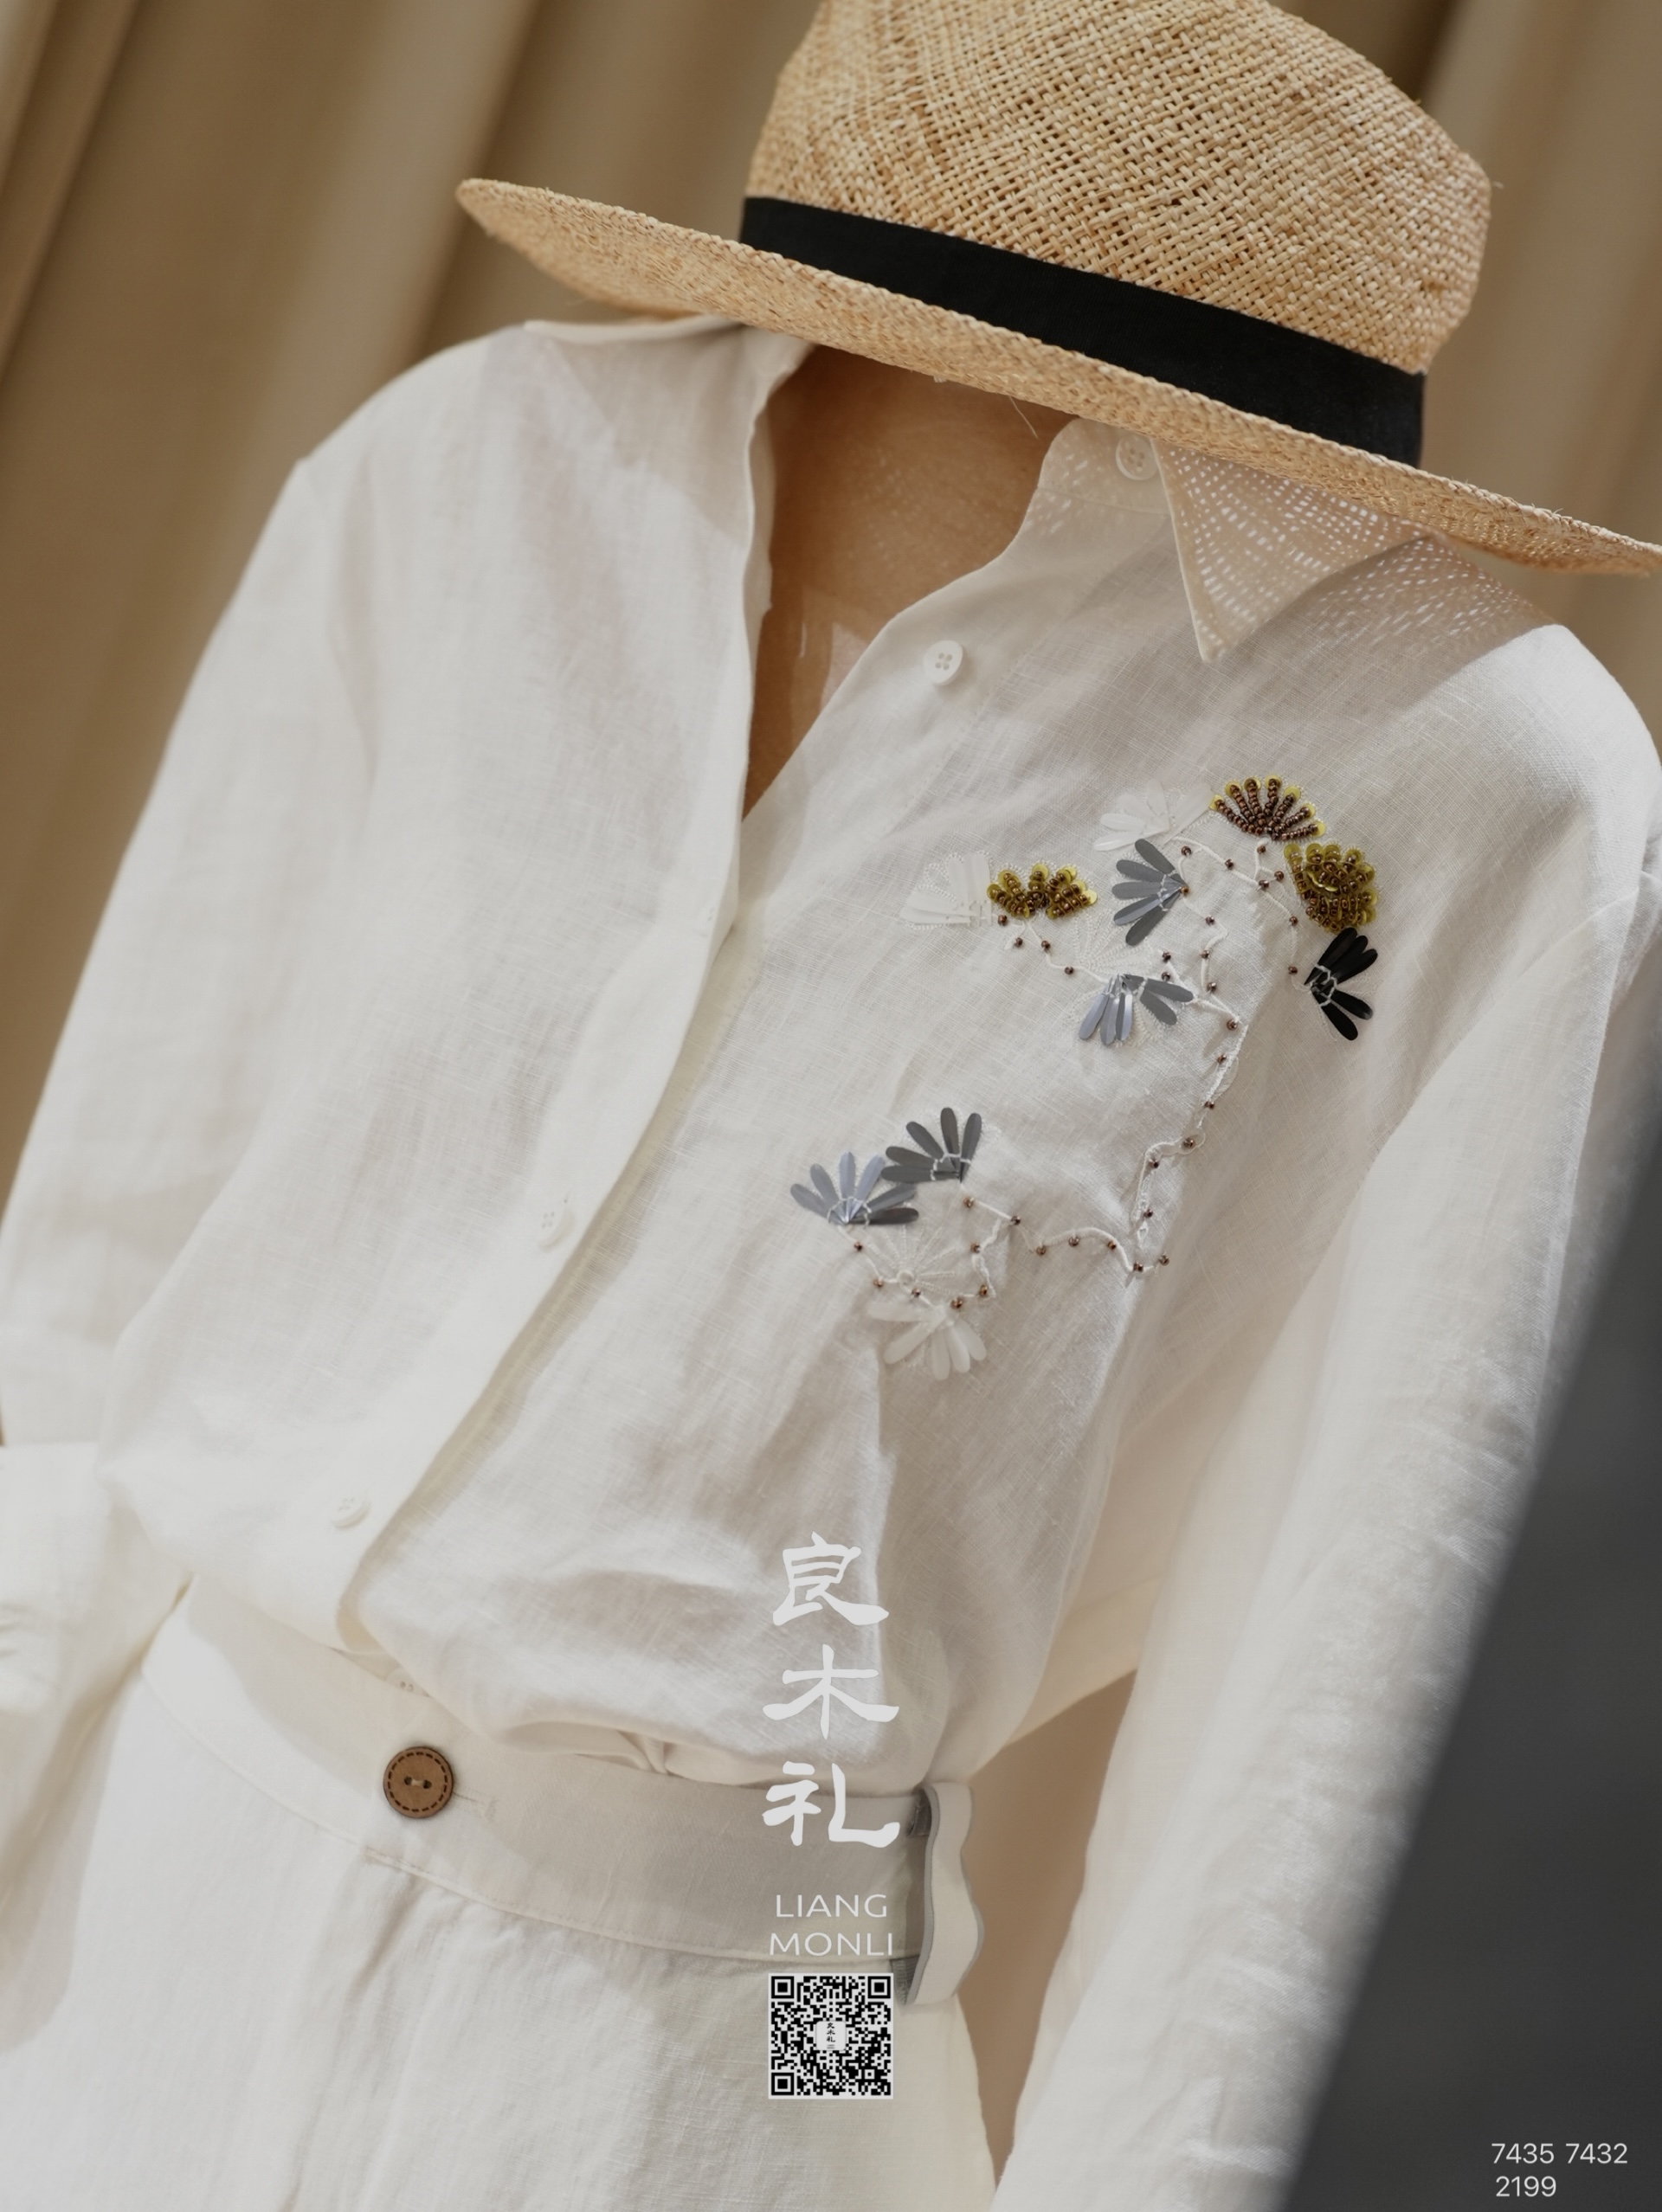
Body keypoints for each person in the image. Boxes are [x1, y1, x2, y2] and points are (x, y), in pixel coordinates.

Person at [2, 2, 1659, 2206]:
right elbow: (100, 1270)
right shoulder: (476, 474)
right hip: (126, 1930)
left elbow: (1337, 1674)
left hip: (763, 1992)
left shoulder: (1476, 780)